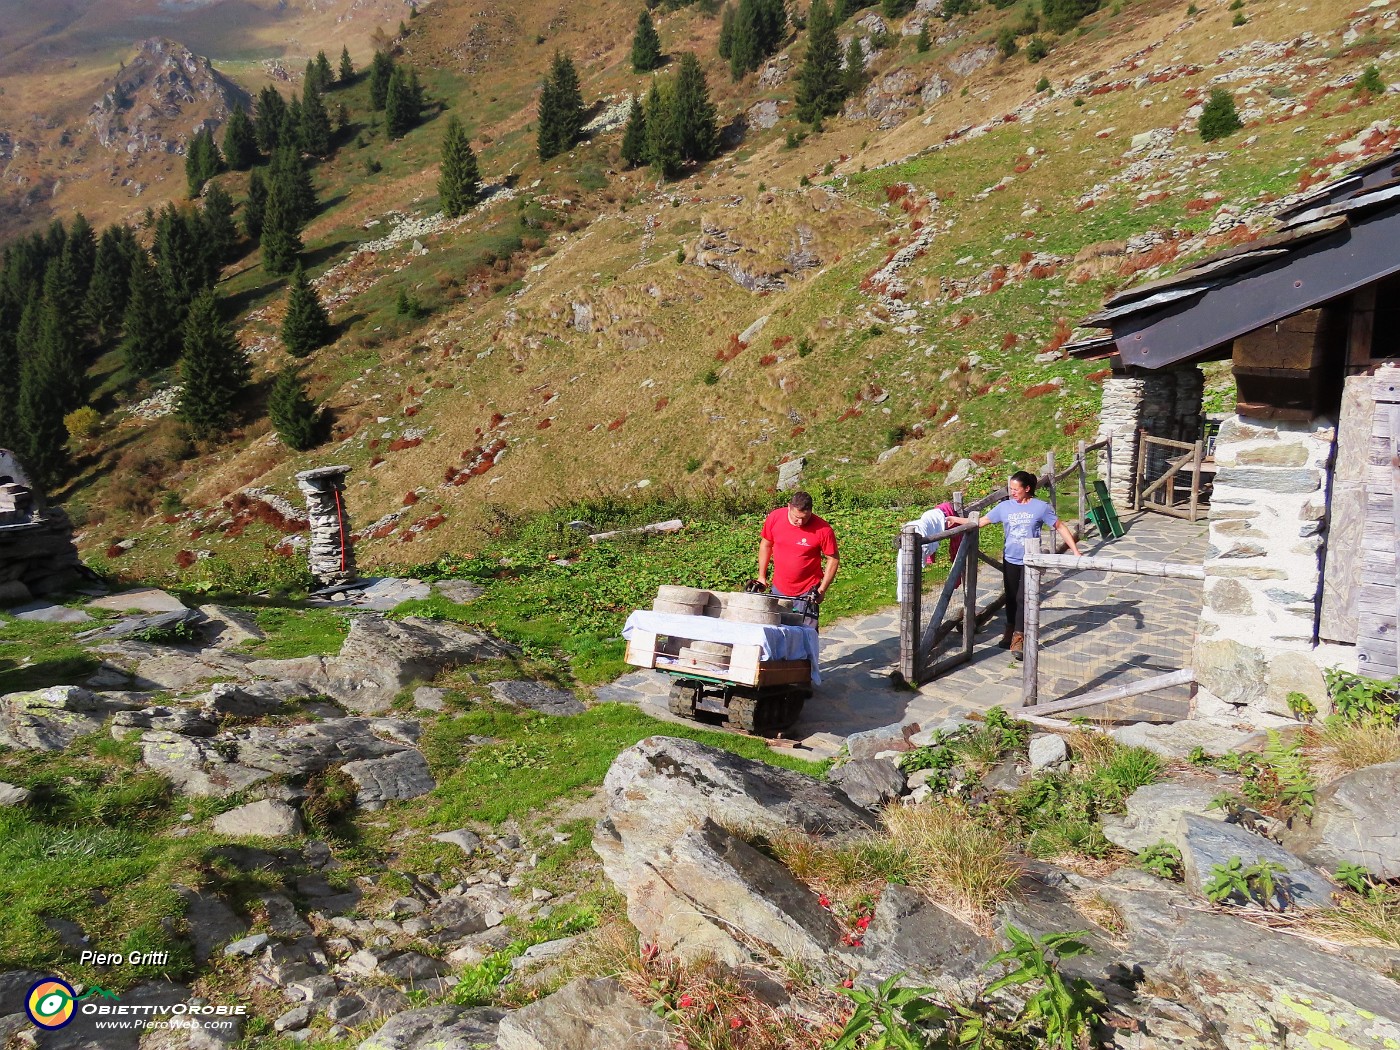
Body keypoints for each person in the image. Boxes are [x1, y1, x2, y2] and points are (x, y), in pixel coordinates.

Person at [949, 470, 1081, 659]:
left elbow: (1059, 526)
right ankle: (1010, 631)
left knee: (1022, 599)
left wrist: (1075, 550)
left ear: (1027, 489)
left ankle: (1019, 637)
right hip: (1010, 559)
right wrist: (956, 520)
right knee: (1011, 598)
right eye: (1010, 489)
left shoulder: (1040, 507)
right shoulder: (1005, 508)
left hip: (1031, 561)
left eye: (1016, 489)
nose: (1012, 492)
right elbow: (981, 521)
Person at [756, 490, 839, 624]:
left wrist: (822, 589)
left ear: (811, 511)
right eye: (796, 517)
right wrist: (762, 576)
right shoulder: (775, 517)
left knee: (806, 634)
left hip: (806, 593)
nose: (800, 522)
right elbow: (766, 545)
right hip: (779, 588)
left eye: (805, 518)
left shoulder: (823, 529)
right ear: (789, 506)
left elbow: (833, 559)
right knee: (778, 631)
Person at [895, 501, 964, 603]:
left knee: (906, 566)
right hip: (916, 529)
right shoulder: (939, 518)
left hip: (917, 529)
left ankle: (905, 596)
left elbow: (975, 522)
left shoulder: (942, 516)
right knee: (905, 566)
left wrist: (955, 519)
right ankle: (906, 596)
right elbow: (975, 521)